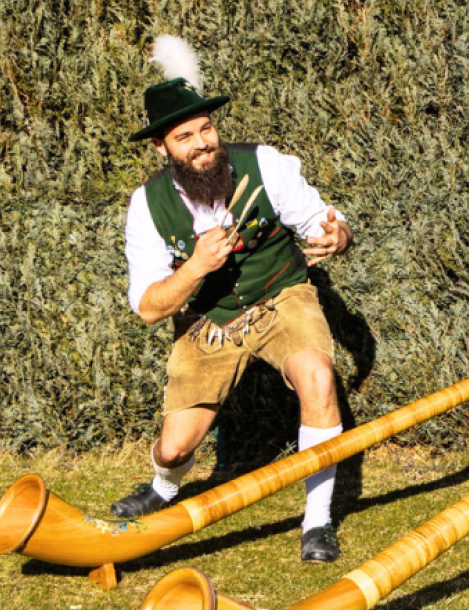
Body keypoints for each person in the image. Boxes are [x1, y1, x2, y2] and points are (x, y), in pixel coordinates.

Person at [112, 36, 352, 562]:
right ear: (162, 148)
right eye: (185, 137)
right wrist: (197, 265)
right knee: (175, 446)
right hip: (208, 321)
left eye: (206, 129)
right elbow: (149, 308)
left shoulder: (265, 165)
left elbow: (323, 221)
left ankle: (317, 522)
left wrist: (337, 235)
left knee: (317, 375)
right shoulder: (146, 207)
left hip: (281, 296)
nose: (202, 144)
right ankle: (164, 487)